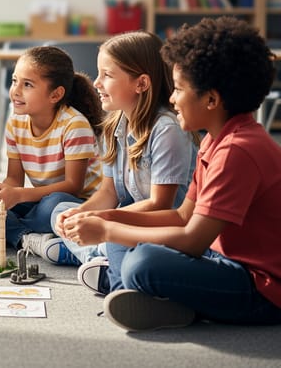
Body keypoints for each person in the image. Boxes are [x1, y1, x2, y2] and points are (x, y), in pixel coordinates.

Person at [61, 17, 281, 332]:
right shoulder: (216, 140)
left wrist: (106, 232)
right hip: (226, 261)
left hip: (265, 290)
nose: (172, 98)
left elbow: (191, 240)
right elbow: (182, 216)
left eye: (180, 89)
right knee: (122, 226)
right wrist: (107, 220)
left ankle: (134, 291)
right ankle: (137, 296)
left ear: (212, 100)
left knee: (142, 262)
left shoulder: (237, 151)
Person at [49, 32, 196, 277]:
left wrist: (100, 219)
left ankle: (93, 256)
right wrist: (81, 213)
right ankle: (96, 254)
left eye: (106, 75)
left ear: (141, 84)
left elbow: (160, 205)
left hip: (161, 228)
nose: (96, 83)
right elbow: (108, 192)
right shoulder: (116, 125)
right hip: (127, 217)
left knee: (123, 244)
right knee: (60, 208)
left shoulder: (167, 130)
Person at [0, 45, 104, 263]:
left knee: (52, 205)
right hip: (39, 201)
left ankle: (9, 231)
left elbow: (72, 186)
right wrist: (0, 193)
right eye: (14, 81)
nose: (16, 90)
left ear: (56, 94)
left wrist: (18, 196)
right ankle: (28, 238)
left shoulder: (74, 124)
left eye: (27, 84)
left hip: (74, 203)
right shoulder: (15, 123)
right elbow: (14, 179)